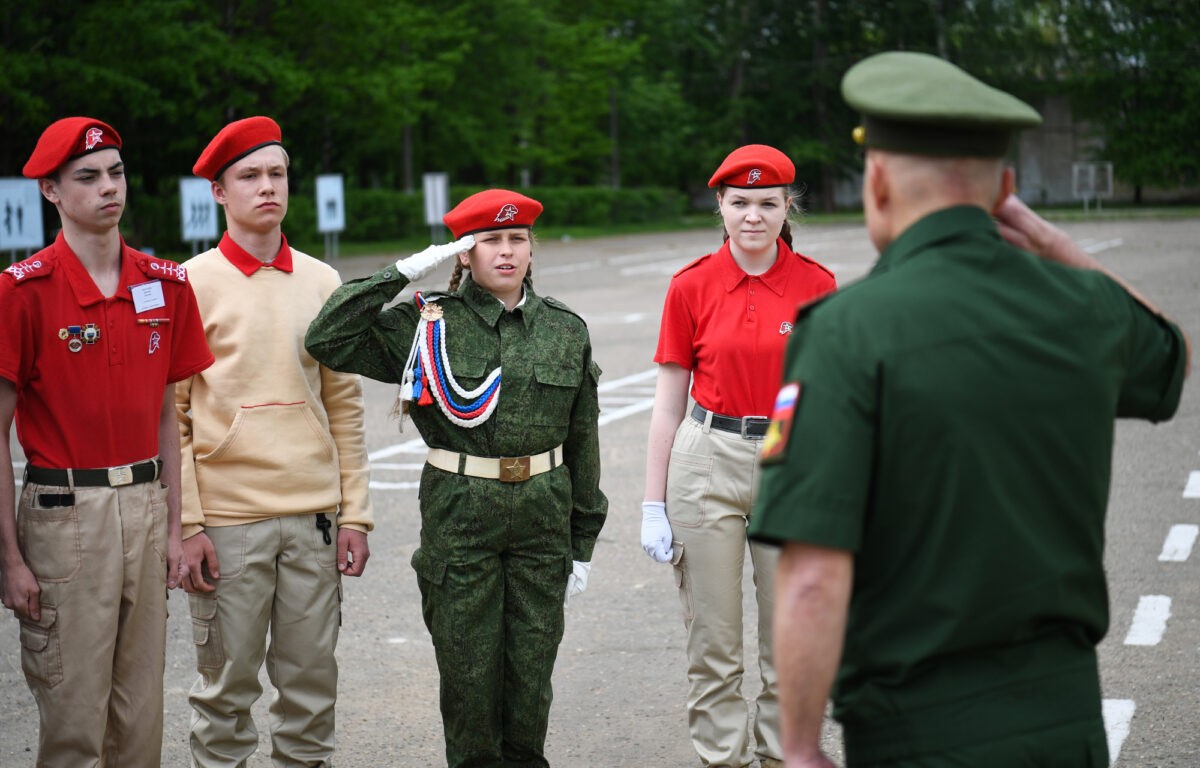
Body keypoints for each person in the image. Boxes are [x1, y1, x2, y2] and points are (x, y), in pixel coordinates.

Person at [748, 51, 1192, 768]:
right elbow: (1171, 356)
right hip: (1067, 725)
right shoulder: (1085, 310)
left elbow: (813, 574)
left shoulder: (845, 330)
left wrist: (799, 748)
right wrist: (1054, 245)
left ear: (879, 180)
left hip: (917, 734)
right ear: (1007, 188)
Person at [305, 188, 608, 767]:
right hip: (461, 518)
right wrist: (399, 273)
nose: (506, 252)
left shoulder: (565, 328)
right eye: (489, 240)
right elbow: (328, 336)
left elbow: (583, 439)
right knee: (470, 685)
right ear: (464, 254)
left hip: (543, 522)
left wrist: (583, 540)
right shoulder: (427, 324)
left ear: (530, 249)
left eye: (516, 239)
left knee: (530, 685)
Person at [0, 117, 213, 767]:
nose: (107, 187)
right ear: (51, 192)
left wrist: (176, 529)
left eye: (116, 173)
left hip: (144, 508)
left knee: (140, 717)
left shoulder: (166, 287)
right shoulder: (21, 293)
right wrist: (9, 558)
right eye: (87, 177)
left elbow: (165, 421)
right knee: (73, 721)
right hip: (65, 515)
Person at [175, 116, 374, 767]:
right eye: (250, 176)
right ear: (219, 193)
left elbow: (344, 404)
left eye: (277, 174)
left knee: (311, 692)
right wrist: (189, 524)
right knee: (226, 697)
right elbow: (173, 418)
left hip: (314, 518)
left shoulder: (323, 283)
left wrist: (355, 513)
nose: (267, 187)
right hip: (230, 523)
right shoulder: (188, 286)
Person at [640, 144, 836, 768]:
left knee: (791, 642)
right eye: (740, 202)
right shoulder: (691, 286)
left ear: (787, 209)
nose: (753, 215)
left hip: (791, 462)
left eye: (768, 203)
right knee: (714, 643)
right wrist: (652, 501)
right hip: (706, 458)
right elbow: (668, 404)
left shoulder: (818, 286)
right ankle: (724, 759)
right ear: (720, 207)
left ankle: (783, 757)